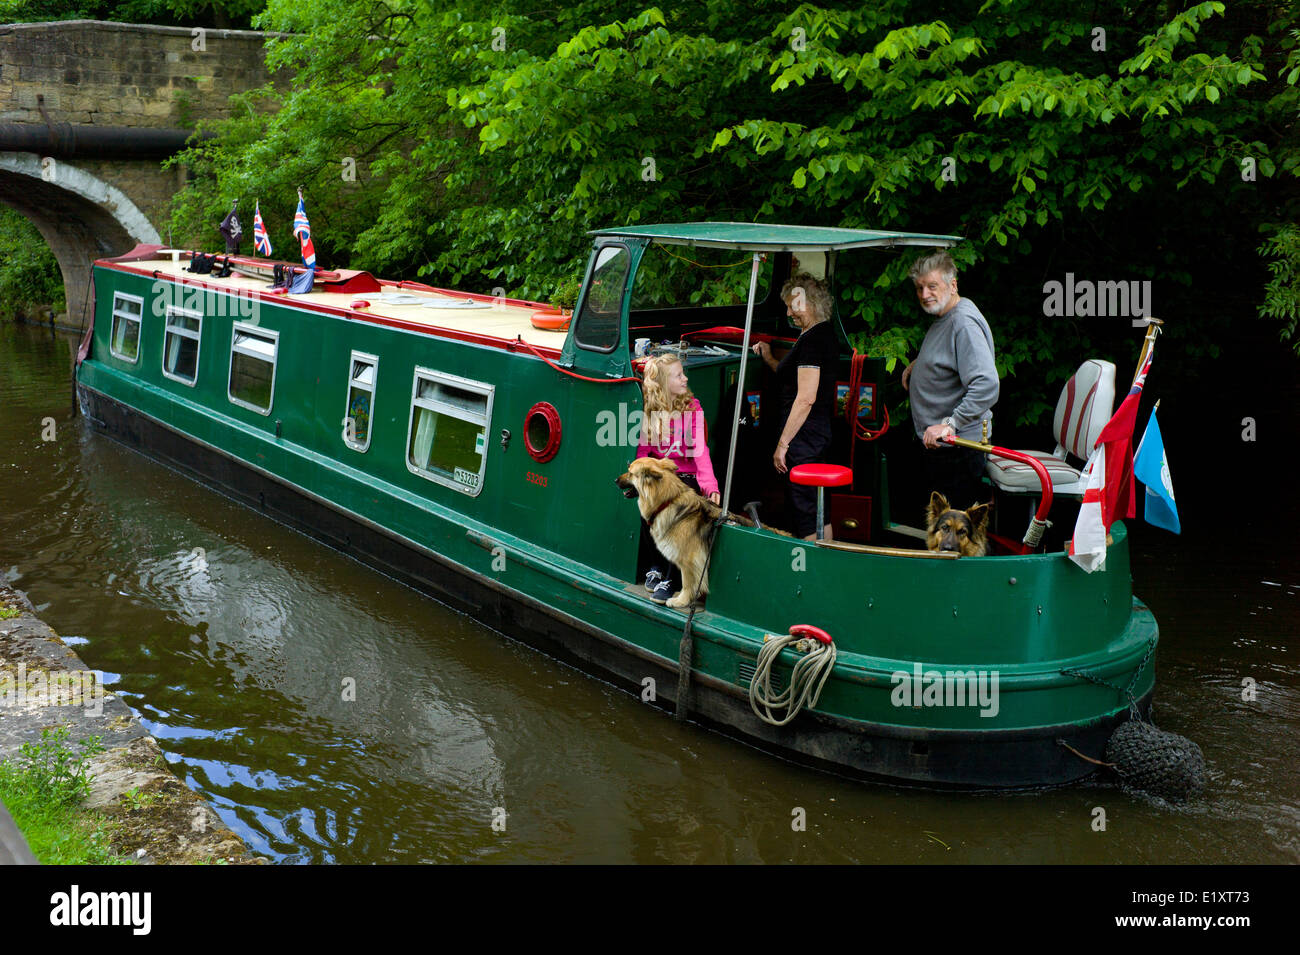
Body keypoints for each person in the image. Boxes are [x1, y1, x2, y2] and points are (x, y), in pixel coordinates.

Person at [901, 251, 999, 511]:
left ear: (952, 284)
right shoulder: (946, 316)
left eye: (932, 286)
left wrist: (950, 424)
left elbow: (986, 384)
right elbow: (953, 359)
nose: (924, 294)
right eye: (920, 287)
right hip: (944, 449)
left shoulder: (963, 322)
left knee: (954, 541)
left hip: (959, 450)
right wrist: (920, 365)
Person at [751, 273, 838, 540]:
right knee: (816, 505)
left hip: (804, 437)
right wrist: (768, 358)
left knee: (806, 509)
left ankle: (811, 573)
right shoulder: (819, 334)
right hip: (815, 433)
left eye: (793, 306)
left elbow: (806, 397)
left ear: (811, 303)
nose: (788, 312)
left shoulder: (812, 341)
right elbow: (792, 376)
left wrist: (783, 444)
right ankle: (824, 566)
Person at [636, 354, 721, 604]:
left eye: (683, 373)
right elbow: (644, 452)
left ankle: (674, 576)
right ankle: (657, 566)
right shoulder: (650, 411)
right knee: (647, 507)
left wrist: (710, 483)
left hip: (687, 476)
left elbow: (700, 451)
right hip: (663, 475)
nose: (685, 378)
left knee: (679, 515)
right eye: (678, 375)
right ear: (662, 384)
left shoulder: (692, 407)